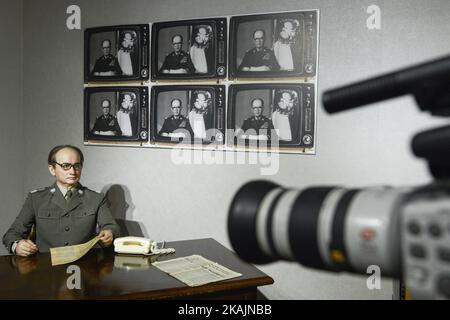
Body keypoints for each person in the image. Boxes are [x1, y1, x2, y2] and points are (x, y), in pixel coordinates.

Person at [2, 145, 120, 256]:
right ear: (52, 169)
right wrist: (17, 246)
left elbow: (111, 227)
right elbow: (12, 234)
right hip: (45, 267)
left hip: (85, 267)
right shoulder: (36, 199)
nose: (72, 172)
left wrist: (109, 233)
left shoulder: (96, 198)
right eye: (65, 166)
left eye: (77, 166)